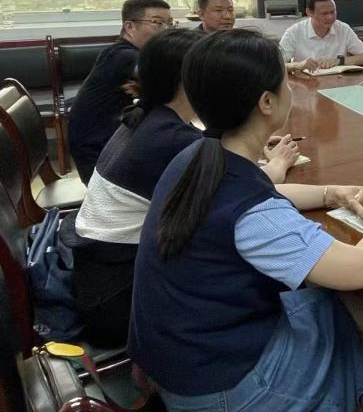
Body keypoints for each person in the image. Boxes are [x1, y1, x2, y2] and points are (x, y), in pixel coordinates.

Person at [129, 29, 363, 412]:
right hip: (217, 395)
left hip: (179, 362)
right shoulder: (252, 213)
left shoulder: (197, 154)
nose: (290, 88)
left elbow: (261, 187)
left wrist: (328, 192)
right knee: (351, 319)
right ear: (266, 102)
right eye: (285, 80)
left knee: (352, 312)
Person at [66, 29, 302, 347]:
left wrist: (251, 136)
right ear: (189, 81)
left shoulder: (148, 118)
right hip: (120, 299)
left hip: (100, 277)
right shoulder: (172, 141)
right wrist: (277, 165)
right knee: (277, 276)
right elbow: (241, 187)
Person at [68, 0, 172, 184]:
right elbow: (163, 79)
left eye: (169, 23)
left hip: (113, 145)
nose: (166, 30)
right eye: (157, 23)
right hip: (100, 159)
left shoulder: (122, 52)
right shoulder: (123, 56)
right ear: (129, 27)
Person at [279, 0, 363, 73]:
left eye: (332, 12)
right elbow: (276, 66)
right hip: (306, 82)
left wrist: (339, 61)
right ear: (309, 12)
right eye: (324, 13)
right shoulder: (294, 32)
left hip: (337, 82)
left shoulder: (343, 29)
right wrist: (298, 65)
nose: (330, 17)